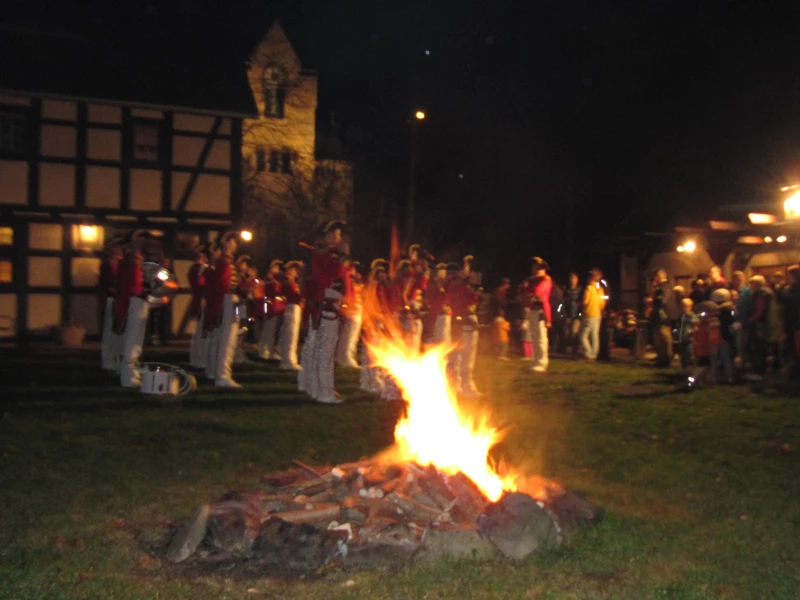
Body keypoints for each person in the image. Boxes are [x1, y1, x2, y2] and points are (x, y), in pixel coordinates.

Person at [298, 220, 350, 403]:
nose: (338, 238)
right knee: (325, 350)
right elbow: (326, 280)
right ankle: (324, 392)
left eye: (338, 235)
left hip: (327, 304)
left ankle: (317, 387)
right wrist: (341, 259)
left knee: (321, 349)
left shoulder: (327, 255)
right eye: (334, 234)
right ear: (327, 236)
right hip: (326, 304)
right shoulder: (322, 255)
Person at [116, 231, 150, 387]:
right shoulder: (132, 260)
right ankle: (129, 377)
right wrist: (146, 293)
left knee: (132, 342)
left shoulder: (132, 259)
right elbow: (134, 286)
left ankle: (129, 374)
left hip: (134, 301)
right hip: (135, 302)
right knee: (133, 342)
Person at [208, 231, 242, 388]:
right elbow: (222, 284)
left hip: (227, 300)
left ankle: (215, 371)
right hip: (229, 301)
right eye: (232, 242)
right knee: (227, 339)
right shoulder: (224, 262)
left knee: (220, 338)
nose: (235, 245)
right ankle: (223, 375)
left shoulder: (224, 261)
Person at [522, 256, 553, 373]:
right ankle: (535, 361)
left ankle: (542, 362)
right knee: (534, 338)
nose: (535, 270)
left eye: (538, 268)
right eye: (534, 267)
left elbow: (535, 292)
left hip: (541, 311)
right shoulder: (534, 280)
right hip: (533, 310)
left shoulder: (546, 280)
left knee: (540, 338)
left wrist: (527, 288)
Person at [98, 239, 122, 372]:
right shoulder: (108, 265)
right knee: (111, 331)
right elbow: (108, 283)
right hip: (111, 300)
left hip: (119, 300)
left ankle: (116, 359)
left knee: (118, 332)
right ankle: (109, 361)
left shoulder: (121, 264)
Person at [335, 260, 364, 368]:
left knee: (352, 335)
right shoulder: (346, 281)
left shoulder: (355, 281)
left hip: (357, 309)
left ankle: (344, 356)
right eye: (352, 268)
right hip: (352, 309)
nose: (354, 270)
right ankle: (346, 357)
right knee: (349, 335)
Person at [745, 275, 773, 381]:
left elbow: (759, 311)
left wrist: (748, 321)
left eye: (751, 284)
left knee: (756, 348)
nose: (750, 286)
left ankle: (759, 371)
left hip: (758, 325)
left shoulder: (761, 295)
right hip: (759, 324)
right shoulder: (762, 294)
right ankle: (759, 370)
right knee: (757, 348)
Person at [278, 260, 304, 371]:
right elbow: (293, 295)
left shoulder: (293, 282)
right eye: (294, 269)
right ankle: (289, 361)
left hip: (295, 308)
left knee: (291, 334)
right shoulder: (287, 282)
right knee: (290, 335)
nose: (296, 272)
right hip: (292, 307)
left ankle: (287, 359)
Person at [187, 245, 209, 370]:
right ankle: (200, 359)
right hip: (201, 302)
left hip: (198, 301)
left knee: (198, 333)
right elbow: (201, 285)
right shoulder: (199, 268)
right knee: (200, 333)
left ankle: (197, 359)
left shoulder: (195, 268)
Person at [258, 260, 285, 361]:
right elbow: (269, 291)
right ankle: (263, 349)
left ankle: (269, 349)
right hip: (270, 306)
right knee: (268, 328)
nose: (276, 270)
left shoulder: (278, 280)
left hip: (276, 307)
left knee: (273, 329)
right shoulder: (270, 279)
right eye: (275, 267)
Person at [578, 267, 606, 361]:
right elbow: (602, 303)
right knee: (595, 335)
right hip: (598, 314)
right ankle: (594, 354)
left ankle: (588, 353)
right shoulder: (600, 289)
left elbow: (585, 301)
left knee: (583, 335)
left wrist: (580, 304)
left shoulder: (589, 289)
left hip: (589, 314)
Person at [711, 288, 735, 383]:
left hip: (719, 336)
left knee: (716, 357)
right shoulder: (731, 309)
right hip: (727, 336)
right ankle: (728, 377)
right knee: (726, 358)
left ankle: (715, 376)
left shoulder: (720, 310)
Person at [651, 268, 673, 367]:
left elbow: (663, 300)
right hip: (658, 315)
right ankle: (661, 357)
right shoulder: (659, 287)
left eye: (656, 277)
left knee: (664, 337)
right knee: (658, 338)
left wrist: (656, 302)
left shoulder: (665, 286)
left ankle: (666, 359)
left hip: (663, 315)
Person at [730, 270, 751, 367]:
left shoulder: (745, 291)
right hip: (736, 320)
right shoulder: (735, 291)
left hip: (743, 321)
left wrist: (742, 321)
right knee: (737, 343)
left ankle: (743, 363)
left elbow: (744, 306)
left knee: (741, 343)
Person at [783, 265, 800, 379]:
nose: (787, 278)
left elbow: (795, 309)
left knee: (796, 349)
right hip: (792, 325)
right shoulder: (791, 289)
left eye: (788, 275)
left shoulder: (795, 290)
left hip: (796, 326)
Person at [563, 272, 583, 358]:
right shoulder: (566, 291)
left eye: (574, 279)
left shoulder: (580, 290)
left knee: (575, 332)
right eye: (571, 279)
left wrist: (580, 312)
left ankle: (575, 349)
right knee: (567, 332)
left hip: (577, 315)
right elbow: (563, 303)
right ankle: (568, 348)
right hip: (568, 314)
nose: (573, 281)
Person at [677, 298, 697, 368]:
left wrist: (691, 332)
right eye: (682, 306)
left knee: (689, 350)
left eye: (685, 306)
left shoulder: (691, 315)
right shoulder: (682, 315)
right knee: (683, 351)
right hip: (682, 336)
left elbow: (695, 325)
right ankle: (684, 363)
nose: (683, 308)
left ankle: (690, 363)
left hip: (689, 336)